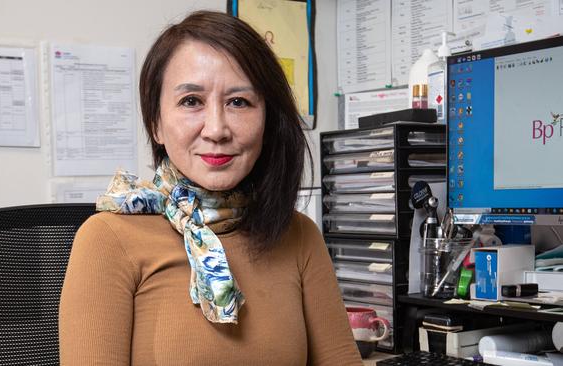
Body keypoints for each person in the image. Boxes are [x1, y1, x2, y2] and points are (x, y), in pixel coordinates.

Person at [59, 10, 362, 366]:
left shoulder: (298, 235)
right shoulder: (108, 239)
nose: (217, 129)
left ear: (267, 120)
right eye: (191, 101)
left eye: (239, 102)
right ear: (155, 123)